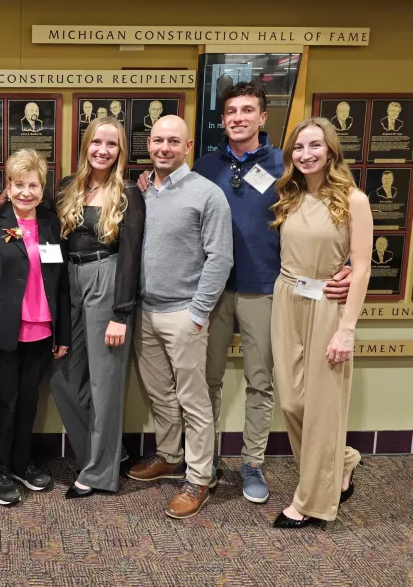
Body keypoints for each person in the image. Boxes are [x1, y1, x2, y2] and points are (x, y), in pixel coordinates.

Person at [141, 82, 352, 504]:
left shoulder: (285, 164)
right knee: (208, 380)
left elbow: (325, 211)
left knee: (261, 380)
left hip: (265, 288)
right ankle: (209, 462)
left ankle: (252, 462)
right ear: (222, 119)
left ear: (262, 117)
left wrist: (348, 262)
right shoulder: (202, 164)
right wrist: (151, 181)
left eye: (247, 110)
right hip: (209, 291)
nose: (238, 118)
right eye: (231, 111)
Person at [128, 115, 233, 520]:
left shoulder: (207, 195)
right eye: (158, 140)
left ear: (188, 147)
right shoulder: (141, 192)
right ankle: (169, 456)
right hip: (144, 312)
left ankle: (199, 477)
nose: (164, 148)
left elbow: (220, 257)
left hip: (184, 314)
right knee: (159, 394)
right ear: (149, 144)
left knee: (193, 399)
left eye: (174, 141)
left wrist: (198, 312)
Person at [269, 118, 372, 528]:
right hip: (288, 297)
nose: (306, 154)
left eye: (314, 146)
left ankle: (311, 502)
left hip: (328, 305)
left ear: (331, 150)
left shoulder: (354, 199)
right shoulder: (289, 196)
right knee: (293, 401)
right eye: (298, 147)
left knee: (323, 407)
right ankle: (342, 460)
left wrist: (347, 328)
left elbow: (361, 268)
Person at [0, 149, 69, 506]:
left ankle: (21, 461)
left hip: (42, 332)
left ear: (43, 187)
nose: (26, 192)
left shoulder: (52, 223)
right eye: (19, 184)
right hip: (1, 332)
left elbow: (61, 283)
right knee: (2, 404)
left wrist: (63, 334)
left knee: (27, 403)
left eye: (33, 185)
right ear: (7, 186)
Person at [49, 116, 144, 499]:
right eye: (97, 143)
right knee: (62, 377)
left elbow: (132, 256)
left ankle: (101, 473)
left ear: (121, 151)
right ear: (85, 145)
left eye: (112, 144)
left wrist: (121, 313)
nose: (103, 150)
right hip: (69, 279)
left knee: (105, 383)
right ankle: (107, 453)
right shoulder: (68, 187)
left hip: (108, 279)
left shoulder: (129, 193)